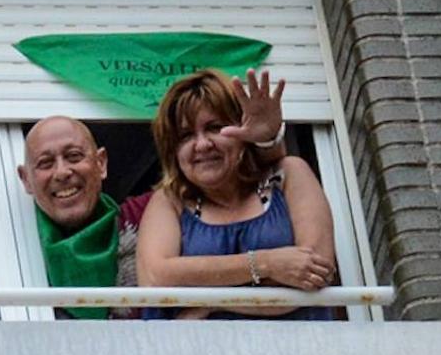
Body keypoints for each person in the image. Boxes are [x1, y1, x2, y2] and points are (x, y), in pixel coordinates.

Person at [18, 69, 288, 319]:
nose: (62, 172)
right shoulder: (12, 250)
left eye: (74, 156)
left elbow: (234, 184)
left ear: (101, 163)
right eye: (45, 163)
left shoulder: (151, 212)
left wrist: (266, 142)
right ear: (26, 179)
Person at [136, 69, 335, 320]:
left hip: (296, 353)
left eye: (215, 128)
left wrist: (208, 305)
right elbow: (156, 279)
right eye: (186, 136)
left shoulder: (288, 174)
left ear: (244, 130)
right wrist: (267, 263)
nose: (202, 144)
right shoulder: (170, 201)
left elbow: (314, 273)